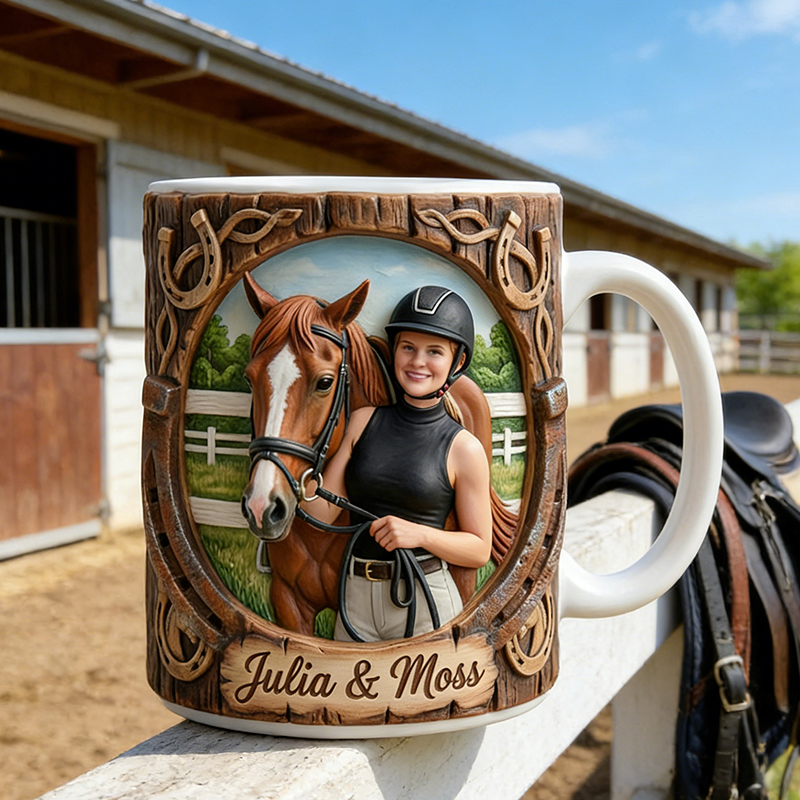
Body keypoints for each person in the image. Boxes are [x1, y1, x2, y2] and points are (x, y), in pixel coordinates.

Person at [302, 285, 492, 642]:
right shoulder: (363, 421)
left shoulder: (463, 448)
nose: (417, 361)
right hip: (356, 595)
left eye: (434, 351)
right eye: (408, 348)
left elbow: (479, 549)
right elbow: (321, 513)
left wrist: (418, 534)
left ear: (458, 362)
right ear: (395, 352)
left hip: (424, 594)